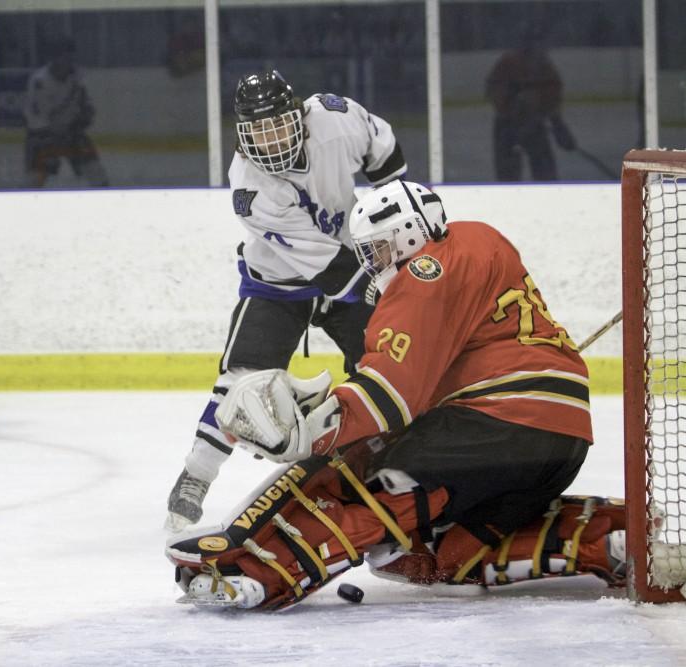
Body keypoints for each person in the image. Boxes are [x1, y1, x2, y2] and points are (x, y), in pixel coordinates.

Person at [168, 180, 628, 609]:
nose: (375, 262)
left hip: (497, 421)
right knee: (435, 554)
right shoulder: (482, 238)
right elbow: (432, 381)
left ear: (410, 232)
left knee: (372, 481)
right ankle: (612, 541)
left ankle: (260, 575)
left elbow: (392, 392)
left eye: (379, 248)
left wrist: (315, 429)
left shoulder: (425, 270)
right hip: (561, 438)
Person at [164, 69, 408, 532]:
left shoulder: (336, 119)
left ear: (299, 114)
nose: (270, 140)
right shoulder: (250, 187)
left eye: (277, 124)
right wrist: (385, 285)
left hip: (349, 259)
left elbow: (384, 148)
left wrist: (392, 214)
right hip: (277, 283)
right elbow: (329, 270)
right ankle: (195, 477)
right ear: (242, 134)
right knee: (239, 384)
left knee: (385, 363)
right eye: (258, 130)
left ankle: (389, 464)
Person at [486, 31, 576, 181]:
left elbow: (552, 95)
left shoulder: (544, 67)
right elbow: (495, 91)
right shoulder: (509, 64)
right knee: (509, 175)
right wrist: (512, 107)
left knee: (545, 172)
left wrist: (557, 124)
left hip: (532, 124)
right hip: (509, 125)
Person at [22, 35, 108, 188]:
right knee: (35, 179)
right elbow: (37, 118)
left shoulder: (78, 77)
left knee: (95, 169)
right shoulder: (40, 81)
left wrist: (85, 115)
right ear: (53, 58)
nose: (67, 60)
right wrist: (52, 138)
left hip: (70, 132)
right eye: (63, 55)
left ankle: (105, 196)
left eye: (70, 55)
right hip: (43, 134)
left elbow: (86, 104)